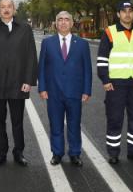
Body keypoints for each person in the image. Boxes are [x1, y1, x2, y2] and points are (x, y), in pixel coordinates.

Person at [0, 0, 38, 167]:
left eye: (9, 6)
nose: (6, 9)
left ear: (14, 9)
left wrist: (28, 80)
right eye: (2, 7)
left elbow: (31, 56)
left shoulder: (25, 29)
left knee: (17, 121)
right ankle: (1, 152)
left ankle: (19, 153)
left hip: (18, 83)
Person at [97, 1, 133, 164]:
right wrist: (105, 79)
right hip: (116, 84)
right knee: (115, 118)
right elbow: (102, 59)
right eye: (124, 11)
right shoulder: (110, 32)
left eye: (130, 11)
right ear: (119, 14)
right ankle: (113, 153)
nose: (127, 14)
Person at [38, 11, 92, 167]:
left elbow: (87, 69)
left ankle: (75, 154)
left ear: (71, 23)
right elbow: (41, 67)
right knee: (56, 125)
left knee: (74, 125)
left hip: (74, 92)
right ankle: (57, 153)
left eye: (66, 19)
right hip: (53, 92)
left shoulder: (82, 44)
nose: (63, 22)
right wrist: (42, 87)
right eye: (60, 20)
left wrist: (86, 90)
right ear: (56, 23)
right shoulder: (47, 43)